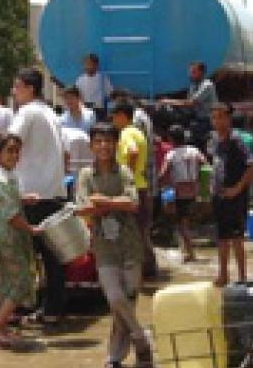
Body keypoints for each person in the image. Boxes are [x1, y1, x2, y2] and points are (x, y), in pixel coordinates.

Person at [76, 122, 153, 368]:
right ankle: (142, 340)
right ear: (91, 146)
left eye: (108, 141)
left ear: (116, 144)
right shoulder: (86, 175)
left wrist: (103, 202)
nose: (103, 146)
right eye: (98, 141)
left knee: (127, 300)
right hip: (103, 246)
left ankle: (115, 357)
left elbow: (133, 203)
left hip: (130, 244)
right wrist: (112, 204)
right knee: (115, 297)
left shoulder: (124, 173)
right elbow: (82, 209)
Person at [8, 67, 68, 324]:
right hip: (53, 190)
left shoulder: (28, 112)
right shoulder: (51, 113)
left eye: (17, 86)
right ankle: (52, 308)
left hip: (32, 193)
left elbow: (10, 142)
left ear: (30, 89)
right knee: (51, 255)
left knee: (24, 254)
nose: (14, 91)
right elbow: (65, 153)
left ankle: (20, 307)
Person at [0, 134, 42, 348]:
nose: (14, 155)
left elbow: (10, 203)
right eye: (10, 150)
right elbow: (11, 215)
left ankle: (2, 325)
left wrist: (24, 198)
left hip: (8, 236)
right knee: (21, 282)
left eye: (17, 151)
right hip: (4, 238)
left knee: (9, 284)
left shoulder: (8, 176)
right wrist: (32, 229)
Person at [208, 102, 253, 287]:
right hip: (218, 195)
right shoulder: (213, 139)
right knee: (221, 237)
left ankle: (242, 277)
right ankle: (223, 274)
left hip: (235, 196)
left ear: (229, 118)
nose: (217, 121)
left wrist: (238, 188)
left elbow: (252, 165)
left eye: (221, 116)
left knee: (237, 237)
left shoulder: (237, 140)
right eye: (214, 117)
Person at [111, 100, 156, 277]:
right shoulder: (137, 132)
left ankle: (139, 275)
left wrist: (126, 178)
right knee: (141, 233)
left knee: (134, 234)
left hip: (134, 189)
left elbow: (133, 152)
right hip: (141, 187)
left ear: (122, 116)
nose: (113, 120)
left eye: (114, 116)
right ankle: (148, 272)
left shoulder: (127, 133)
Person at [157, 124, 206, 263]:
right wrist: (204, 188)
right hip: (195, 190)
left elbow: (163, 174)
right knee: (188, 223)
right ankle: (188, 250)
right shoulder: (194, 150)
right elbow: (206, 166)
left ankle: (190, 253)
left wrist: (160, 188)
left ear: (171, 139)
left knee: (182, 224)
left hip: (179, 193)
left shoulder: (171, 154)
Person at [160, 62, 218, 143]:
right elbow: (187, 106)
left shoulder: (207, 85)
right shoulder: (193, 85)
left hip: (206, 120)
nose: (190, 74)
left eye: (193, 72)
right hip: (195, 117)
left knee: (190, 136)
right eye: (190, 72)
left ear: (201, 73)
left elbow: (190, 102)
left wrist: (169, 101)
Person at [75, 53, 113, 120]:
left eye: (90, 64)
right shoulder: (80, 80)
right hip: (85, 110)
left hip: (99, 111)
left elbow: (109, 94)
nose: (87, 66)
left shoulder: (102, 78)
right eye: (85, 64)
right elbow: (77, 95)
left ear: (96, 65)